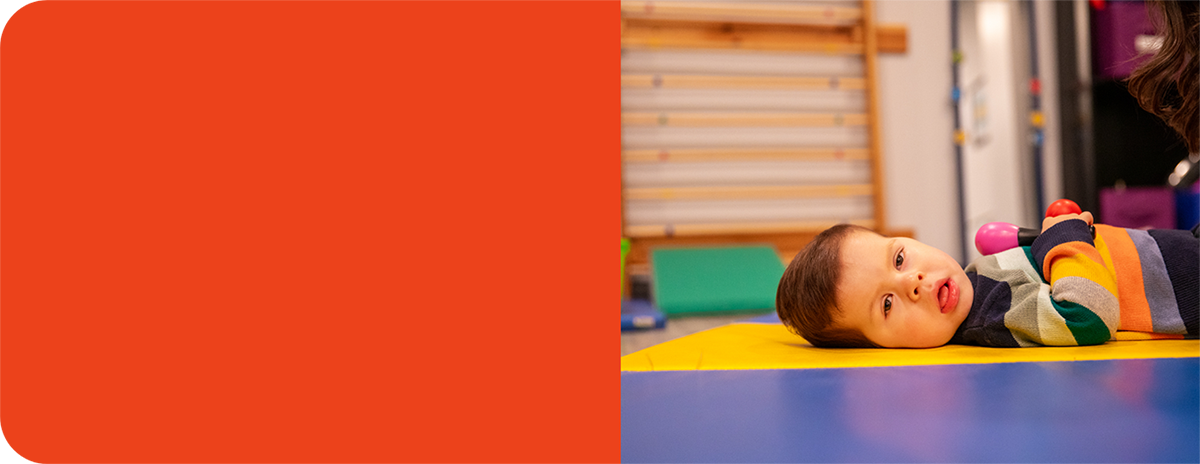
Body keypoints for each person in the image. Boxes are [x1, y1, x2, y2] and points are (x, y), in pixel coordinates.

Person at [775, 211, 1200, 348]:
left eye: (899, 257)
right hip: (1185, 288)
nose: (914, 282)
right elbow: (1086, 317)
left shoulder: (979, 280)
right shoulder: (992, 313)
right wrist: (1067, 240)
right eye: (886, 304)